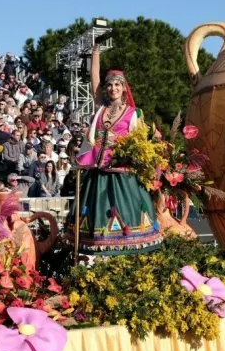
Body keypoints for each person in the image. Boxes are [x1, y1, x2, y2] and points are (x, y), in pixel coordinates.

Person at [64, 45, 162, 255]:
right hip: (97, 171)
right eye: (109, 85)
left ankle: (127, 250)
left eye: (117, 84)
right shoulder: (101, 107)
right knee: (96, 212)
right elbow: (95, 81)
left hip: (121, 172)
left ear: (124, 88)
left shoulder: (133, 113)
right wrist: (95, 54)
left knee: (125, 212)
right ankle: (95, 251)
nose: (112, 88)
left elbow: (141, 142)